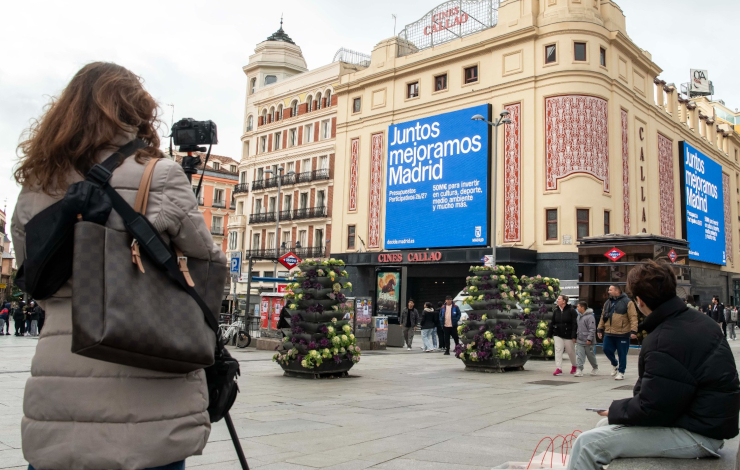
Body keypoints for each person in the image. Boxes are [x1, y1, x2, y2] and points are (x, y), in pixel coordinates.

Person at [12, 62, 226, 470]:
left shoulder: (38, 181)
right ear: (136, 111)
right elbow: (208, 264)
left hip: (61, 370)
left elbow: (32, 274)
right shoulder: (158, 173)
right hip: (148, 373)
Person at [568, 260, 740, 470]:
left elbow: (654, 408)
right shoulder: (700, 321)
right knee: (604, 426)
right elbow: (667, 393)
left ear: (639, 301)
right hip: (706, 422)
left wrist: (615, 408)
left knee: (586, 444)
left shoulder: (664, 339)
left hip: (700, 434)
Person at [597, 285, 638, 381]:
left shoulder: (628, 302)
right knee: (606, 349)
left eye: (610, 290)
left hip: (623, 333)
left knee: (622, 354)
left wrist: (633, 331)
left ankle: (621, 372)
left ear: (617, 290)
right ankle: (614, 363)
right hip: (609, 332)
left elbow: (633, 317)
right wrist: (600, 328)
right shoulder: (607, 302)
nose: (608, 291)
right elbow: (603, 316)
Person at [548, 295, 578, 376]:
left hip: (568, 335)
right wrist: (549, 334)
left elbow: (575, 324)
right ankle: (559, 368)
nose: (557, 300)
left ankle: (574, 365)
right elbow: (552, 323)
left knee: (570, 351)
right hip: (557, 334)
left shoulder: (571, 311)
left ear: (564, 301)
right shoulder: (556, 311)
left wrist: (574, 336)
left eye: (559, 299)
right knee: (558, 350)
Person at [574, 301, 598, 377]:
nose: (577, 308)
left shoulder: (590, 317)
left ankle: (595, 367)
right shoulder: (579, 316)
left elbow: (592, 329)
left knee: (590, 356)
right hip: (580, 340)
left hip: (588, 341)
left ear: (582, 307)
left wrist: (589, 339)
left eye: (578, 306)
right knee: (580, 355)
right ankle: (579, 369)